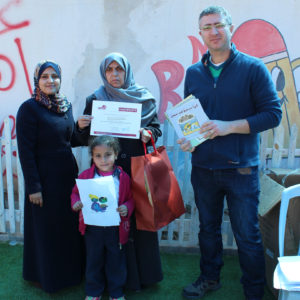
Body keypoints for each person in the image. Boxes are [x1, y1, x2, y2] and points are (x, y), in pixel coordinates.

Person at [178, 6, 282, 300]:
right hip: (203, 167)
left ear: (230, 27)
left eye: (218, 25)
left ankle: (253, 291)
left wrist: (229, 127)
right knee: (207, 230)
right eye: (206, 27)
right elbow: (193, 121)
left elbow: (272, 115)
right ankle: (210, 278)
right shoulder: (194, 73)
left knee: (247, 235)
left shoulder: (253, 68)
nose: (213, 32)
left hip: (241, 169)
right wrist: (190, 140)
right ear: (200, 34)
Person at [76, 52, 163, 290]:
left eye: (119, 69)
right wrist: (80, 126)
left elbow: (155, 127)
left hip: (135, 169)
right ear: (104, 73)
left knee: (137, 219)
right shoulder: (95, 99)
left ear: (127, 71)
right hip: (105, 170)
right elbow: (84, 138)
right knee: (107, 222)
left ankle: (140, 277)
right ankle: (106, 280)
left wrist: (149, 134)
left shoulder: (143, 98)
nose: (115, 74)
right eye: (109, 70)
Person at [16, 60, 84, 293]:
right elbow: (25, 151)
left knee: (67, 227)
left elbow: (72, 140)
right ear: (37, 80)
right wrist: (33, 186)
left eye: (54, 76)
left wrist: (82, 127)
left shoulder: (65, 106)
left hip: (67, 177)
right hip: (43, 180)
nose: (50, 81)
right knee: (46, 229)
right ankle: (45, 277)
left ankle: (70, 274)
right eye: (44, 76)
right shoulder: (29, 108)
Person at [71, 135, 135, 300]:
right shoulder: (86, 176)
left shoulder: (123, 177)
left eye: (108, 154)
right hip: (93, 230)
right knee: (94, 261)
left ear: (115, 154)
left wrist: (126, 208)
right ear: (92, 157)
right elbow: (75, 194)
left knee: (116, 262)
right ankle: (93, 292)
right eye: (98, 156)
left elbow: (130, 199)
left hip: (116, 230)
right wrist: (76, 203)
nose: (103, 159)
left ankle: (116, 292)